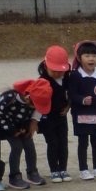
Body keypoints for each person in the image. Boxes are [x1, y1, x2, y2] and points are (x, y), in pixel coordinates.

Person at [0, 78, 52, 190]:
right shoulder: (7, 98)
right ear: (28, 98)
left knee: (30, 146)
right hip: (5, 126)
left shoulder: (34, 101)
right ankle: (14, 176)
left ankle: (32, 172)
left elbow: (35, 112)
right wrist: (13, 130)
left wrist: (28, 126)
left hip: (22, 126)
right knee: (17, 147)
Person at [69, 40, 96, 180]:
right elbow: (71, 94)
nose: (91, 58)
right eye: (87, 55)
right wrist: (82, 100)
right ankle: (84, 170)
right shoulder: (75, 75)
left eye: (94, 55)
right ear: (79, 58)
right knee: (83, 142)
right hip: (81, 114)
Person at [36, 45, 72, 182]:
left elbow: (72, 95)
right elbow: (37, 102)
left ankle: (63, 168)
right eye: (54, 71)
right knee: (53, 143)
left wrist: (68, 106)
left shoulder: (67, 79)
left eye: (60, 71)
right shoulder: (42, 81)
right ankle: (54, 170)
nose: (57, 74)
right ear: (45, 66)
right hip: (47, 118)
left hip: (61, 117)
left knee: (63, 142)